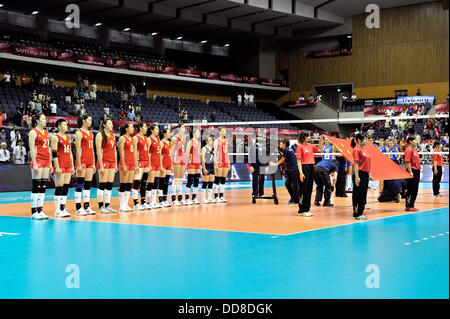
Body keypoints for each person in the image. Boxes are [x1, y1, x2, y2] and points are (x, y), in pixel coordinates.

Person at [28, 113, 52, 219]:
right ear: (37, 120)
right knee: (36, 185)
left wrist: (50, 163)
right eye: (43, 119)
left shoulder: (46, 132)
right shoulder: (33, 132)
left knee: (43, 186)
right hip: (38, 160)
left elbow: (48, 148)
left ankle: (40, 210)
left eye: (45, 119)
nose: (45, 120)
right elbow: (32, 148)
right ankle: (33, 212)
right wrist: (35, 162)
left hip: (46, 160)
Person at [74, 114, 97, 216]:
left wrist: (93, 163)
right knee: (80, 184)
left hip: (89, 161)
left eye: (91, 120)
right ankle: (78, 207)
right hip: (82, 161)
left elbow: (92, 149)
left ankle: (87, 206)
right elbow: (78, 149)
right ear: (83, 121)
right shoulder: (79, 133)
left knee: (88, 185)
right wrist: (78, 164)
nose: (90, 122)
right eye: (89, 120)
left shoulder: (91, 133)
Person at [51, 119, 73, 218]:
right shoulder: (55, 137)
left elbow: (70, 153)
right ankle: (57, 210)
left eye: (66, 124)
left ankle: (63, 208)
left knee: (66, 187)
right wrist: (57, 166)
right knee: (59, 186)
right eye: (64, 124)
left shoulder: (68, 138)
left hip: (68, 163)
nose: (66, 126)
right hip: (60, 164)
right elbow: (54, 153)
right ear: (59, 127)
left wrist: (72, 165)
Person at [95, 119, 118, 214]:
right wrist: (100, 165)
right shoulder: (100, 135)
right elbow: (98, 151)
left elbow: (115, 151)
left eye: (112, 123)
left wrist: (116, 163)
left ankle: (108, 205)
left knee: (109, 185)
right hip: (104, 162)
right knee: (102, 184)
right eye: (109, 123)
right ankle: (101, 206)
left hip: (112, 162)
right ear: (104, 125)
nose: (111, 125)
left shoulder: (112, 135)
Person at [270, 138, 299, 205]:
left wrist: (275, 164)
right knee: (288, 184)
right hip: (290, 170)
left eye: (281, 143)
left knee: (294, 186)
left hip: (293, 170)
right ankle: (293, 198)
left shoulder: (286, 150)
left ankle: (296, 200)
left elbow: (282, 160)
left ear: (284, 144)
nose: (280, 144)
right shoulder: (288, 149)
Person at [296, 131, 318, 217]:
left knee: (309, 189)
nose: (309, 137)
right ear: (304, 137)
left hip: (311, 167)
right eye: (308, 136)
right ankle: (301, 210)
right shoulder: (299, 147)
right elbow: (298, 160)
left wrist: (321, 140)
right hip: (304, 167)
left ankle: (307, 209)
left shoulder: (310, 146)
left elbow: (319, 149)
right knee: (303, 189)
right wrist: (301, 173)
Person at [118, 123, 138, 212]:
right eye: (131, 127)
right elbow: (121, 152)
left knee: (129, 185)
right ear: (126, 129)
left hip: (132, 164)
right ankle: (121, 205)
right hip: (125, 164)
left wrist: (136, 165)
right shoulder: (122, 138)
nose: (132, 129)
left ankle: (125, 204)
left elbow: (134, 153)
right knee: (123, 184)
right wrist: (123, 164)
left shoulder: (132, 139)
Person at [351, 133, 371, 220]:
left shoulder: (364, 149)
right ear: (359, 140)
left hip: (365, 174)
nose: (366, 141)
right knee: (357, 194)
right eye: (365, 139)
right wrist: (356, 177)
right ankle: (356, 213)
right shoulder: (356, 150)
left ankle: (361, 212)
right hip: (359, 174)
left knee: (363, 194)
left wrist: (369, 174)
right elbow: (356, 163)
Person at [132, 122, 151, 210]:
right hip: (139, 162)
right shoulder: (136, 138)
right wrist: (136, 164)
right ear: (140, 128)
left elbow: (148, 152)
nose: (146, 128)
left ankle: (143, 202)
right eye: (144, 127)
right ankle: (136, 203)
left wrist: (149, 163)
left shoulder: (146, 138)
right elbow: (135, 151)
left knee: (144, 183)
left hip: (146, 161)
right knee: (137, 183)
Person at [248, 134, 268, 201]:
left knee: (262, 179)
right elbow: (250, 156)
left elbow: (266, 156)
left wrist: (266, 165)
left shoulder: (264, 147)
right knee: (255, 180)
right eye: (259, 137)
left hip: (262, 164)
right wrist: (250, 165)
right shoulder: (252, 146)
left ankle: (261, 193)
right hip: (255, 165)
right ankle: (254, 193)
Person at [147, 124, 163, 208]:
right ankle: (149, 201)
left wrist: (160, 164)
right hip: (152, 163)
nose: (158, 130)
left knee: (156, 182)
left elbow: (159, 153)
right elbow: (147, 153)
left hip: (157, 163)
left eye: (158, 129)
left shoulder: (158, 140)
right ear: (152, 130)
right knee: (150, 182)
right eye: (156, 129)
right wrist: (149, 164)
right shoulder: (149, 139)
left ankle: (153, 201)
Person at [185, 129, 202, 205]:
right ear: (194, 133)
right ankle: (187, 197)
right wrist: (186, 163)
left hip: (197, 163)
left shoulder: (199, 143)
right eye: (198, 132)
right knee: (190, 180)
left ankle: (194, 198)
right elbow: (187, 153)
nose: (199, 133)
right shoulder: (190, 142)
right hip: (191, 163)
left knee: (196, 181)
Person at [404, 136, 421, 212]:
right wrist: (410, 172)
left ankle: (411, 204)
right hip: (412, 171)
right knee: (411, 188)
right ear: (411, 141)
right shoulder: (408, 150)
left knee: (415, 189)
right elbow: (407, 162)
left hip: (417, 170)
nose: (416, 141)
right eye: (415, 140)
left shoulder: (414, 150)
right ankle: (409, 205)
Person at [171, 124, 187, 206]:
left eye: (184, 128)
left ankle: (180, 197)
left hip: (182, 158)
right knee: (176, 178)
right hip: (176, 158)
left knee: (180, 179)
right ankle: (173, 198)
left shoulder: (184, 138)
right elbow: (172, 150)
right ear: (179, 129)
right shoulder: (174, 138)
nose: (184, 129)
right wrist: (171, 162)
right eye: (182, 128)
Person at [213, 128, 230, 203]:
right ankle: (216, 196)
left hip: (225, 161)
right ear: (220, 132)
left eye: (225, 131)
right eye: (223, 131)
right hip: (219, 161)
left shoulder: (226, 141)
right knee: (217, 178)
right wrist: (215, 163)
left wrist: (228, 162)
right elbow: (215, 153)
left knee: (223, 179)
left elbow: (227, 152)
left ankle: (221, 195)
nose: (224, 132)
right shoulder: (217, 141)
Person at [160, 128, 173, 206]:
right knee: (162, 182)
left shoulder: (169, 143)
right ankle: (161, 199)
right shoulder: (162, 143)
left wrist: (171, 165)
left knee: (166, 182)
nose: (169, 134)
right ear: (164, 134)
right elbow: (159, 155)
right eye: (168, 133)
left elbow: (170, 155)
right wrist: (161, 165)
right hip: (163, 164)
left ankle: (165, 199)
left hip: (168, 164)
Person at [201, 136, 215, 204]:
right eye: (210, 140)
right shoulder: (204, 148)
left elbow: (214, 158)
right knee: (205, 182)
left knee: (211, 182)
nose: (211, 141)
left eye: (212, 140)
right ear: (206, 141)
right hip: (206, 166)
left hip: (212, 166)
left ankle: (209, 198)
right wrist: (204, 168)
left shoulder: (212, 149)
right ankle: (203, 198)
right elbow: (203, 159)